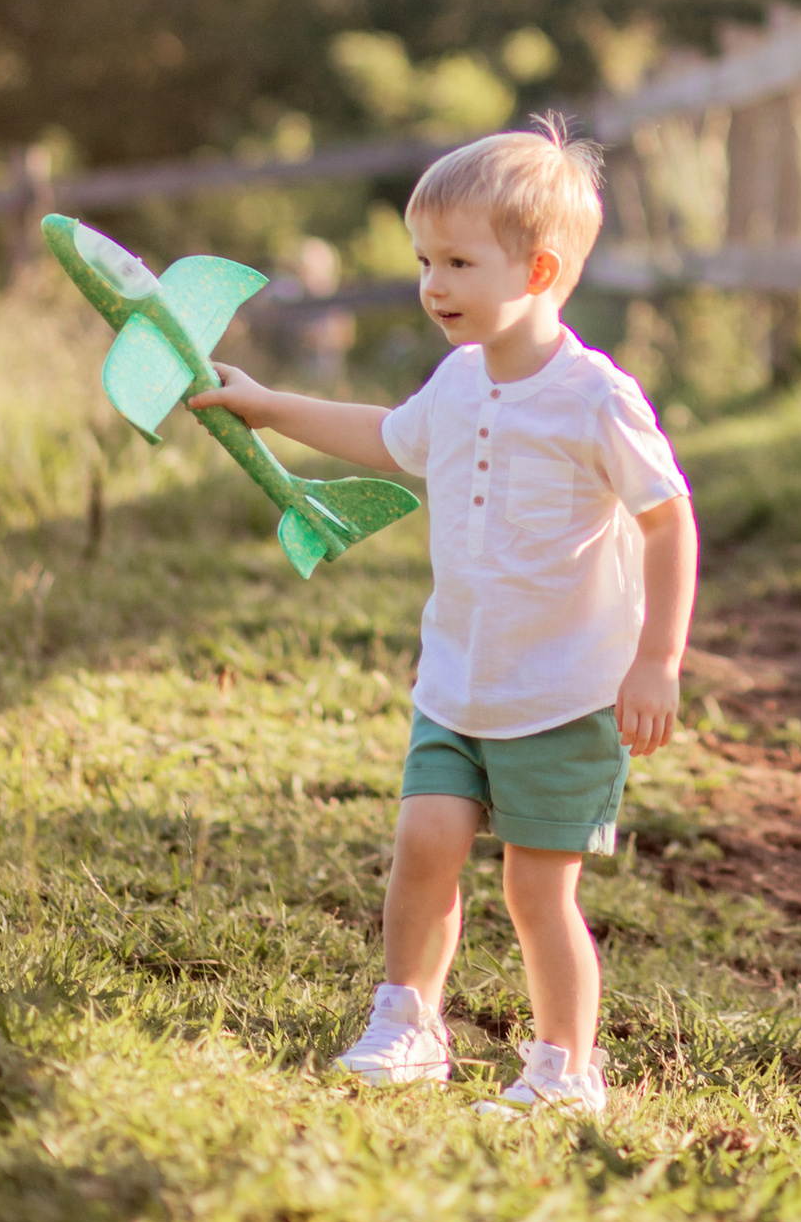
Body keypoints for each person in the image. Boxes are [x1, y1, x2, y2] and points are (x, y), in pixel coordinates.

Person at [194, 120, 696, 1116]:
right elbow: (390, 438)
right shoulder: (459, 379)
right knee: (424, 842)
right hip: (458, 683)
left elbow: (668, 518)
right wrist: (270, 406)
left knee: (536, 893)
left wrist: (657, 662)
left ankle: (566, 1070)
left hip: (565, 693)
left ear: (539, 270)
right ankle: (408, 1023)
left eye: (459, 263)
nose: (433, 285)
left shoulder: (594, 397)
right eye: (425, 261)